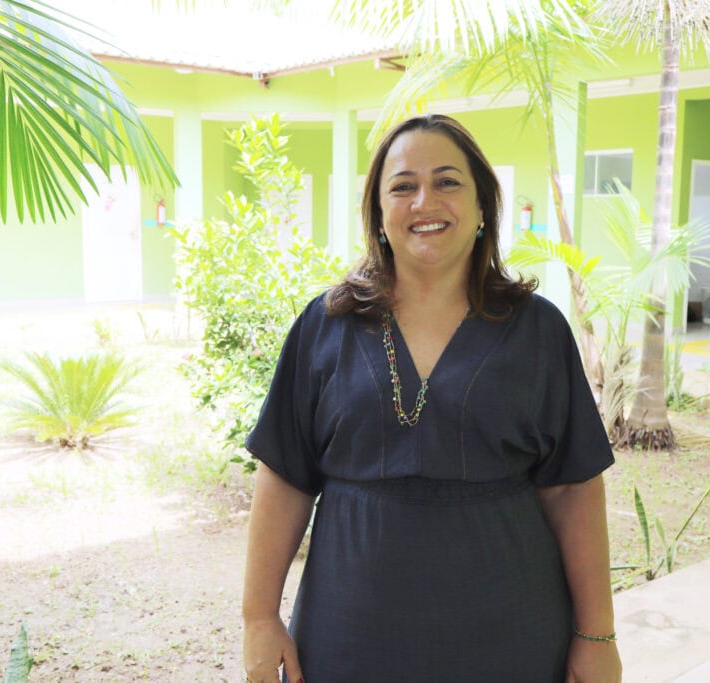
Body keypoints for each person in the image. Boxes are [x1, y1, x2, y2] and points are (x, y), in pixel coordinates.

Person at [242, 114, 622, 683]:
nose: (426, 201)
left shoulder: (537, 331)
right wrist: (258, 618)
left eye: (448, 182)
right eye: (403, 186)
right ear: (378, 210)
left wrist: (597, 636)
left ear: (482, 205)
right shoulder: (325, 326)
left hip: (510, 636)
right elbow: (285, 477)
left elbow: (572, 489)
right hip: (350, 636)